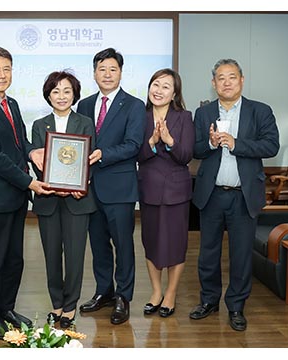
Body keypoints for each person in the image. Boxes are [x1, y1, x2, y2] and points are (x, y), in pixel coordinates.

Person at [0, 47, 53, 340]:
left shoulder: (11, 103)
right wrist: (29, 182)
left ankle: (7, 308)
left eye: (7, 69)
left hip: (15, 196)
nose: (2, 75)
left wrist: (33, 152)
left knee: (15, 258)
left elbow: (19, 142)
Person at [190, 59, 279, 331]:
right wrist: (209, 142)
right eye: (220, 78)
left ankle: (237, 306)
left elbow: (271, 145)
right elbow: (195, 149)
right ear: (213, 83)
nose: (226, 82)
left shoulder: (259, 111)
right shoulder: (203, 113)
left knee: (241, 255)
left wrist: (236, 144)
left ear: (242, 79)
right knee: (208, 253)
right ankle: (209, 301)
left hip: (243, 195)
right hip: (212, 194)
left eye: (231, 77)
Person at [76, 47, 146, 325]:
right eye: (102, 69)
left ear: (120, 72)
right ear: (94, 73)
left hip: (119, 188)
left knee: (123, 245)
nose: (107, 74)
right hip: (89, 188)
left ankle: (123, 296)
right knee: (98, 245)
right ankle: (103, 291)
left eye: (112, 69)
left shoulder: (134, 105)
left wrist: (104, 154)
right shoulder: (83, 104)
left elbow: (133, 145)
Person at [31, 70, 96, 329]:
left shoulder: (85, 122)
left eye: (67, 91)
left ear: (74, 95)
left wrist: (81, 182)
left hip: (77, 201)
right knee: (51, 256)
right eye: (56, 91)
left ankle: (70, 307)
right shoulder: (39, 125)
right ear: (48, 94)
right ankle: (56, 303)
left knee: (75, 255)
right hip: (48, 200)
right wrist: (51, 182)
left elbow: (88, 159)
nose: (61, 96)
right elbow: (38, 162)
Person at [137, 68, 195, 318]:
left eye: (165, 87)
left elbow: (186, 156)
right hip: (148, 187)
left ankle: (171, 294)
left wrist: (170, 141)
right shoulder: (140, 115)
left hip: (176, 191)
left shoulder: (184, 117)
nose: (158, 90)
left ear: (174, 94)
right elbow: (136, 154)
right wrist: (151, 141)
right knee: (150, 241)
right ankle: (156, 292)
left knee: (175, 244)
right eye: (155, 84)